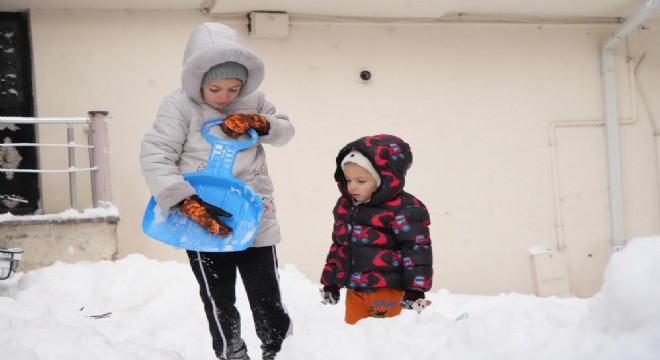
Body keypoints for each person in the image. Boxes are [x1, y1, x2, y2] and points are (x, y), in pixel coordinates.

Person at [140, 22, 294, 360]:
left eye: (233, 88)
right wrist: (185, 202)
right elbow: (156, 156)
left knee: (266, 292)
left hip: (254, 212)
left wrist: (260, 122)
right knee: (218, 294)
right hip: (202, 215)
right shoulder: (178, 106)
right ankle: (231, 351)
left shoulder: (254, 101)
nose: (226, 97)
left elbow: (285, 131)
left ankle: (278, 348)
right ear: (198, 82)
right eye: (216, 89)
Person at [320, 134, 433, 324]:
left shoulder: (405, 209)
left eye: (361, 181)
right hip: (355, 291)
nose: (352, 187)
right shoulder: (346, 206)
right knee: (355, 338)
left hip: (388, 291)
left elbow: (417, 249)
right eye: (348, 180)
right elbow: (340, 245)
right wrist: (331, 282)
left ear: (384, 179)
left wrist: (415, 288)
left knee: (386, 340)